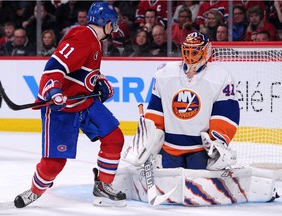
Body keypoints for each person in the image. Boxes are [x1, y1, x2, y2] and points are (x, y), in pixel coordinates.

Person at [13, 1, 126, 208]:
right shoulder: (83, 36)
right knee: (54, 163)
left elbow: (83, 72)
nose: (114, 26)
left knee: (114, 137)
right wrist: (54, 91)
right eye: (113, 22)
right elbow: (54, 66)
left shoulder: (95, 41)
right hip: (62, 109)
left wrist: (100, 83)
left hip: (84, 102)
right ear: (107, 22)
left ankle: (103, 185)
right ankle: (35, 191)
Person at [144, 31, 240, 170]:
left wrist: (217, 141)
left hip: (199, 150)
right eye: (187, 52)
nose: (190, 57)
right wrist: (149, 138)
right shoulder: (164, 74)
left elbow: (225, 113)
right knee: (170, 187)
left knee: (197, 189)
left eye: (195, 52)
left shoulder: (221, 77)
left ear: (206, 51)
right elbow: (155, 110)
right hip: (169, 148)